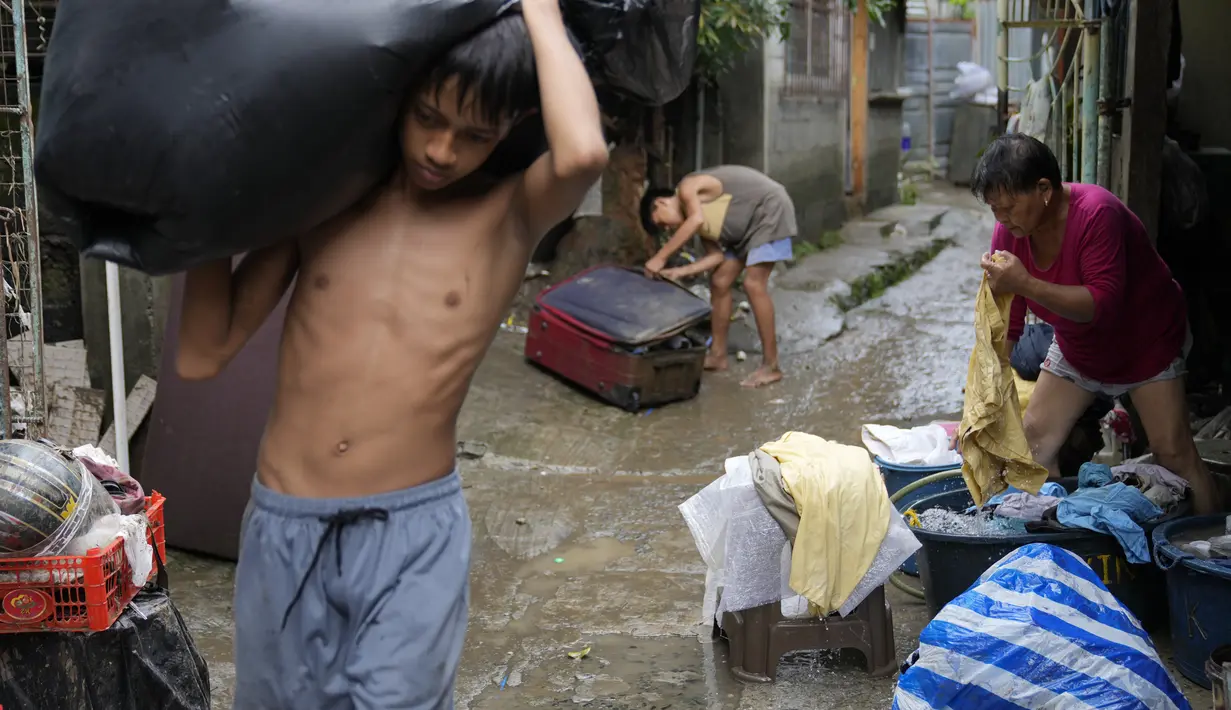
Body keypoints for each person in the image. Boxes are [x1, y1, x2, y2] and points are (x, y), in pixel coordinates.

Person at [175, 4, 608, 708]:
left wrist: (538, 7)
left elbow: (584, 152)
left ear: (509, 131)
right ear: (397, 98)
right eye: (428, 117)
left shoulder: (507, 217)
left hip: (413, 533)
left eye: (473, 135)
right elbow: (200, 355)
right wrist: (214, 215)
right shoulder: (320, 206)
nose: (441, 150)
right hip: (283, 524)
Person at [972, 133, 1220, 515]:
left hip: (1146, 345)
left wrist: (1026, 282)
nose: (1002, 219)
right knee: (1033, 446)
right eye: (994, 210)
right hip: (1078, 349)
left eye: (1009, 207)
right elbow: (1010, 318)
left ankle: (1211, 547)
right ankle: (1052, 548)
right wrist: (984, 396)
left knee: (1174, 453)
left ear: (1044, 189)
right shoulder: (1011, 230)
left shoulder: (1096, 213)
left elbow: (1099, 305)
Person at [640, 166, 797, 388]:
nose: (667, 228)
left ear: (661, 203)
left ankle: (771, 367)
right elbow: (715, 257)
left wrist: (660, 257)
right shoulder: (696, 220)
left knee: (754, 284)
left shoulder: (687, 188)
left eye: (661, 223)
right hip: (745, 233)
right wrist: (679, 272)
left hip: (769, 210)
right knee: (720, 281)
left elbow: (695, 220)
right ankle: (718, 355)